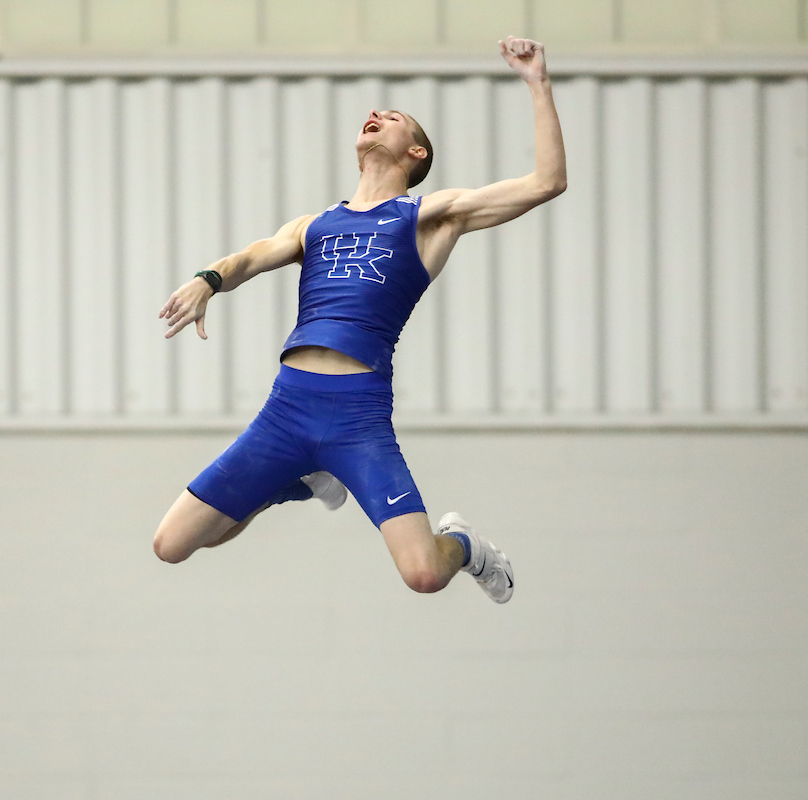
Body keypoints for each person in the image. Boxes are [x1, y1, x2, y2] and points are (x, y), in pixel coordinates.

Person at [153, 36, 566, 604]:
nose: (374, 115)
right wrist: (208, 280)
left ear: (415, 154)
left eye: (392, 118)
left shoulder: (428, 217)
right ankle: (297, 484)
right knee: (174, 544)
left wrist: (538, 84)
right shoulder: (315, 224)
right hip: (287, 407)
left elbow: (546, 183)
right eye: (372, 114)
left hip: (357, 415)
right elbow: (250, 256)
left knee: (423, 574)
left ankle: (466, 546)